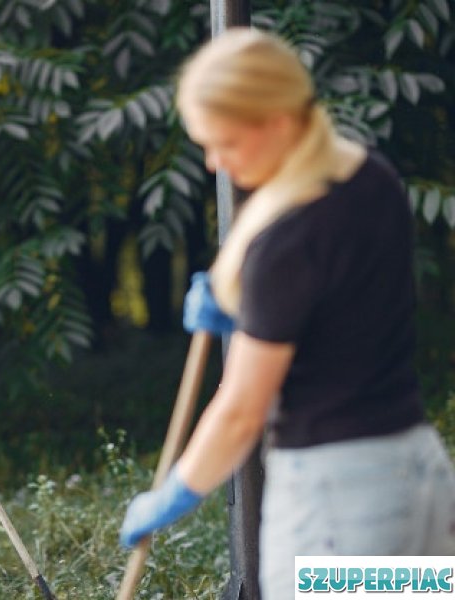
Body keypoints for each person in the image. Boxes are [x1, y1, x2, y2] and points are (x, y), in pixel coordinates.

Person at [119, 28, 455, 599]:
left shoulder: (286, 243)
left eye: (223, 141)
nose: (212, 162)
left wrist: (178, 490)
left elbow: (241, 412)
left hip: (341, 505)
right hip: (418, 478)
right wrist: (253, 306)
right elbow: (339, 315)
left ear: (275, 121)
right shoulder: (373, 176)